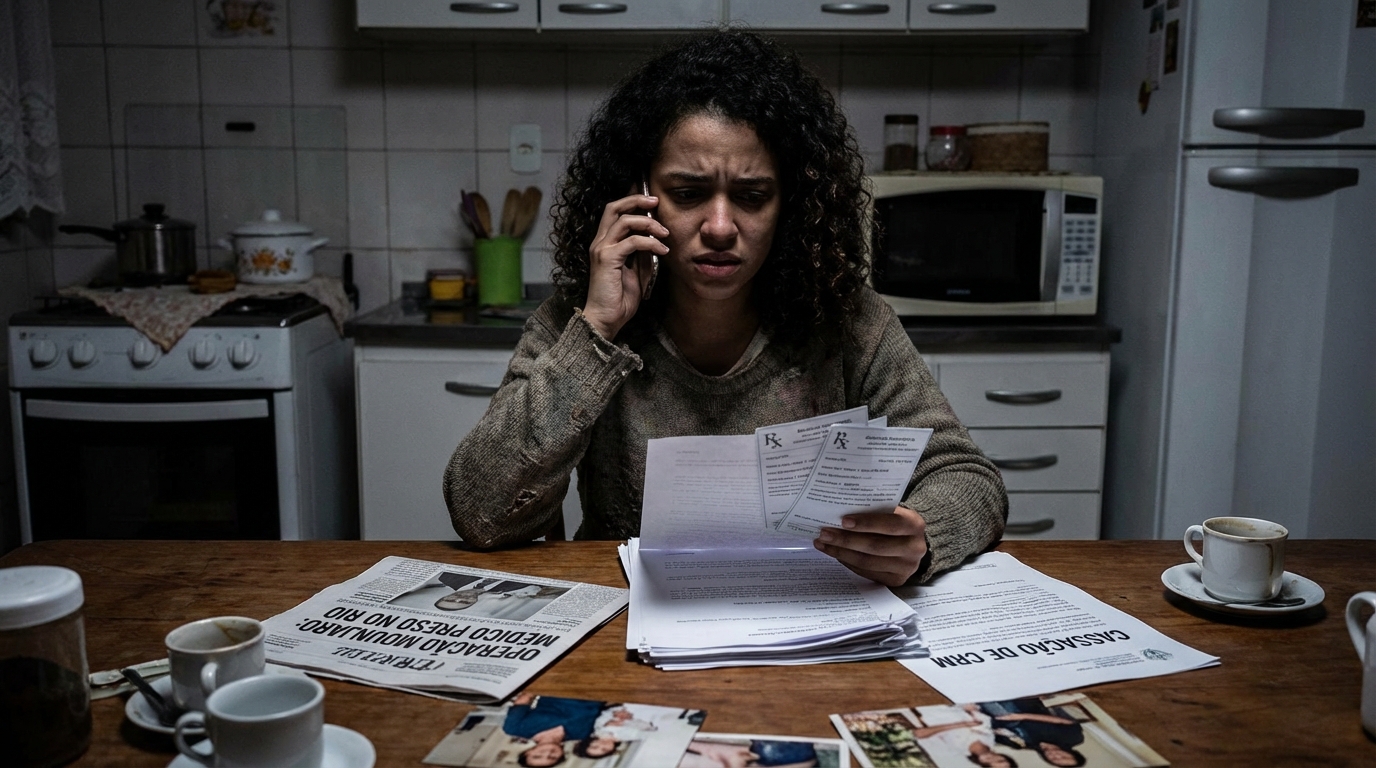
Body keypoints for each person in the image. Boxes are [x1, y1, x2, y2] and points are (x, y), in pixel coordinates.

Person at [443, 29, 1007, 586]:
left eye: (752, 196)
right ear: (639, 193)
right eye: (687, 194)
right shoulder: (581, 319)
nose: (719, 227)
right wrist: (596, 333)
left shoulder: (849, 321)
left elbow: (966, 475)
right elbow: (481, 511)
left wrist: (923, 534)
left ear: (791, 205)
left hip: (805, 622)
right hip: (624, 628)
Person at [979, 699, 1086, 768]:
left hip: (992, 717)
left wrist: (996, 732)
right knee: (1006, 714)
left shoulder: (1021, 745)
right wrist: (1022, 716)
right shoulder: (1073, 738)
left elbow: (990, 734)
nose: (1055, 757)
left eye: (1054, 760)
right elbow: (1063, 721)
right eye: (1063, 757)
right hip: (1024, 708)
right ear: (1072, 754)